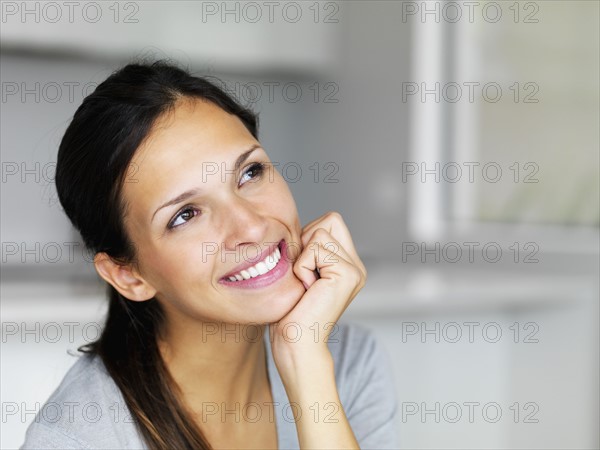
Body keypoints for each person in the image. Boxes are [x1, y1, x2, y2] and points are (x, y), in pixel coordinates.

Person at [21, 60, 399, 449]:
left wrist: (305, 364)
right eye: (185, 215)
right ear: (128, 275)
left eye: (249, 173)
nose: (251, 227)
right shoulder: (79, 438)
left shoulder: (347, 363)